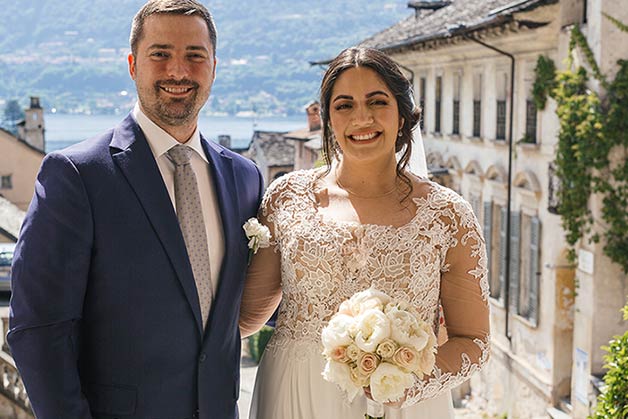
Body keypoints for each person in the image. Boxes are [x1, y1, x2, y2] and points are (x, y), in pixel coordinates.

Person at [7, 1, 263, 418]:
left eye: (194, 56)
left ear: (214, 66)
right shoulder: (77, 174)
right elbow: (38, 329)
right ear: (132, 65)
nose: (178, 71)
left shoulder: (245, 178)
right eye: (160, 54)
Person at [239, 47, 490, 419]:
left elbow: (474, 342)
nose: (362, 117)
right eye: (344, 105)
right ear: (327, 118)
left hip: (403, 404)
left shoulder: (447, 215)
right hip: (295, 394)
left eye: (377, 101)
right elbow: (246, 315)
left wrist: (408, 384)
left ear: (403, 115)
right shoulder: (286, 196)